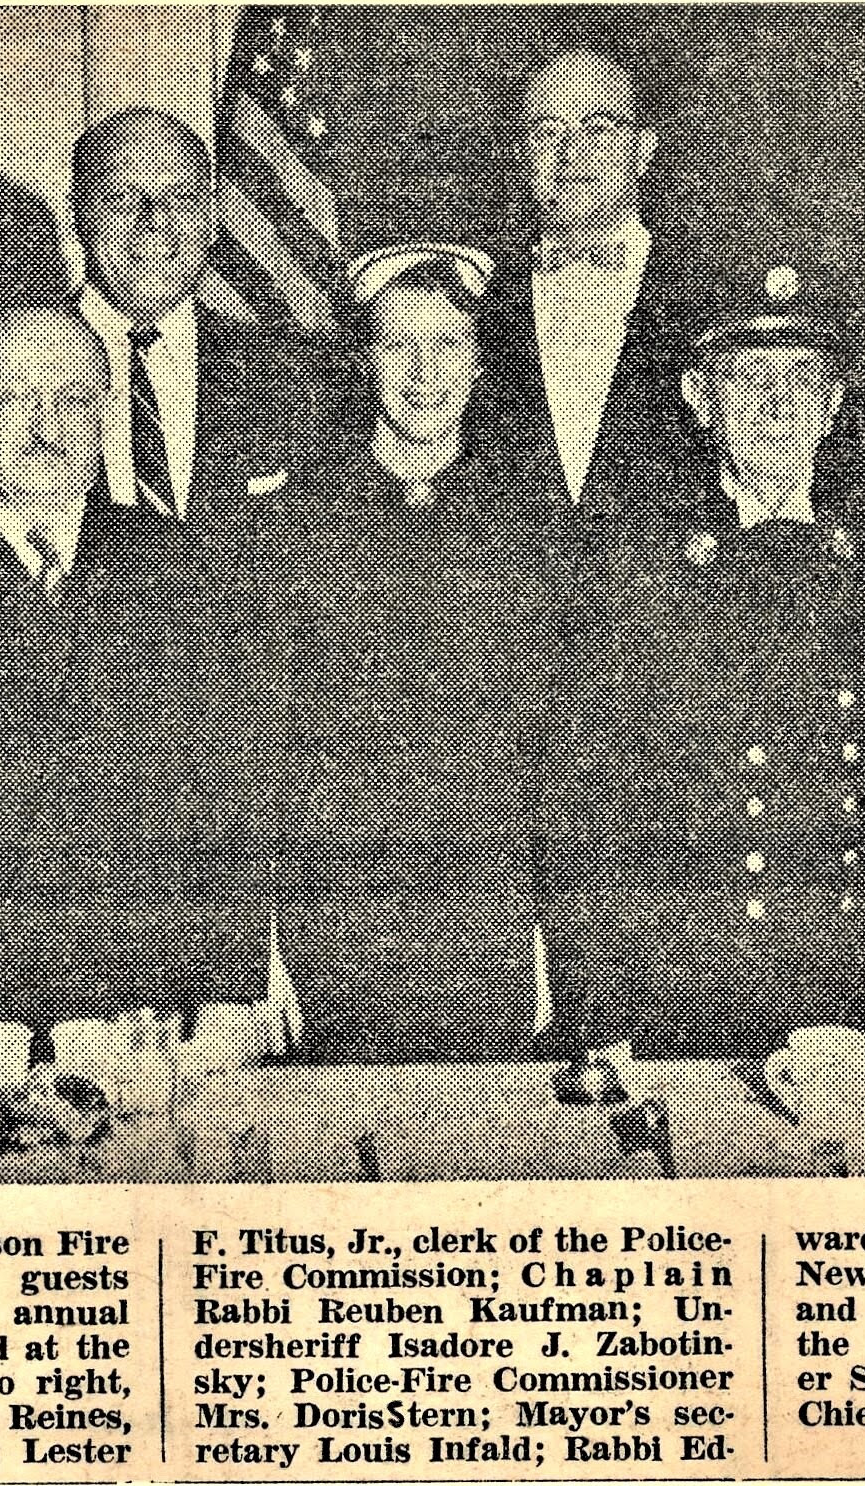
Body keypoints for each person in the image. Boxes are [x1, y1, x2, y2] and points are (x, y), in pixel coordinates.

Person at [0, 301, 271, 1046]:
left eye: (73, 399)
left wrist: (230, 990)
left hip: (141, 1019)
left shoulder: (173, 567)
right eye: (18, 398)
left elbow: (227, 801)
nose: (46, 426)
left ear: (107, 411)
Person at [554, 269, 865, 1057]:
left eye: (800, 380)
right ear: (700, 399)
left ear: (832, 405)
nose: (777, 407)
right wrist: (607, 1014)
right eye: (749, 381)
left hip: (848, 999)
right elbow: (591, 804)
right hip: (688, 998)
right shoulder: (640, 565)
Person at [251, 249, 564, 1061]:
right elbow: (259, 750)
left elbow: (556, 744)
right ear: (364, 360)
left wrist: (545, 936)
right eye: (399, 345)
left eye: (449, 344)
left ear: (479, 359)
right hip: (341, 921)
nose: (425, 371)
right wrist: (271, 948)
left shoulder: (527, 521)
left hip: (484, 916)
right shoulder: (296, 523)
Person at [70, 107, 329, 534]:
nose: (154, 222)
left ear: (211, 221)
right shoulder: (18, 370)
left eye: (182, 199)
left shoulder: (286, 376)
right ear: (80, 215)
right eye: (123, 199)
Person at [476, 47, 694, 513]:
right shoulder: (481, 301)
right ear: (520, 155)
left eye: (598, 129)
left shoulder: (704, 293)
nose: (572, 153)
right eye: (548, 131)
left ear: (642, 149)